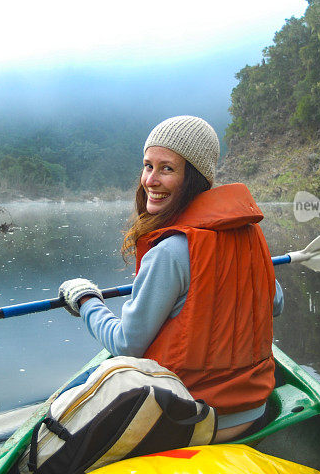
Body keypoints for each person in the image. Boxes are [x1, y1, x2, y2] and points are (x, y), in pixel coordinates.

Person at [59, 115, 283, 443]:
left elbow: (126, 345)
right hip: (253, 412)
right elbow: (275, 302)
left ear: (194, 178)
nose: (150, 180)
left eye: (167, 169)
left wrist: (87, 301)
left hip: (193, 420)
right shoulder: (250, 235)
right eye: (148, 165)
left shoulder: (171, 252)